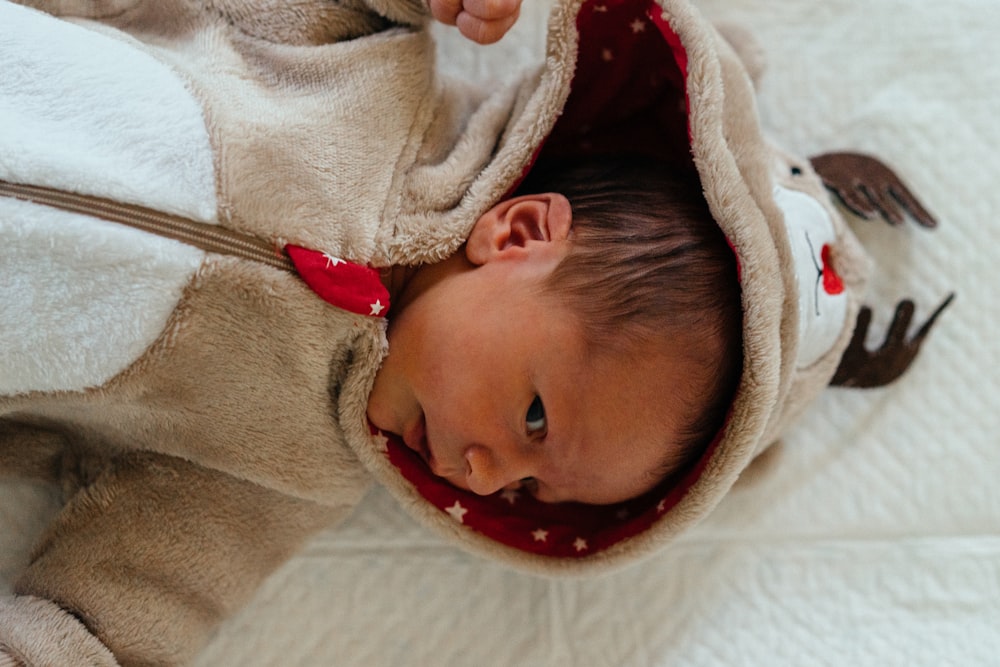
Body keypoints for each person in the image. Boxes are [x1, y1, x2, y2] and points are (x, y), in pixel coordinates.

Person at [0, 0, 918, 663]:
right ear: (518, 234)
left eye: (526, 485)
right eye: (531, 420)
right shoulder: (365, 77)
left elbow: (130, 605)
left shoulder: (284, 469)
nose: (483, 475)